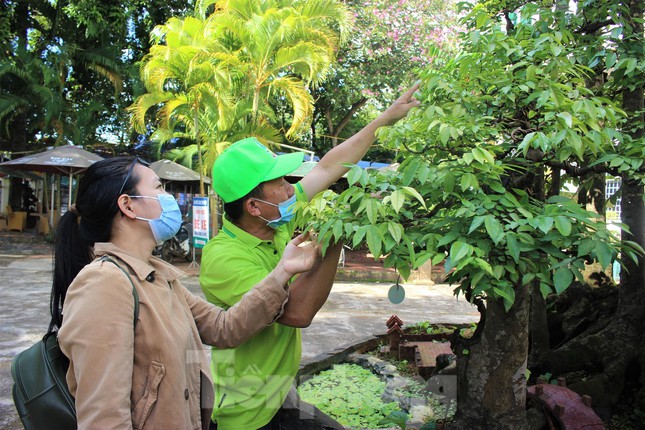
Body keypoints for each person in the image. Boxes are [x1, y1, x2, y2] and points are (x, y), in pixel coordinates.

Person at [200, 84, 421, 429]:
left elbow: (330, 166)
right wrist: (336, 232)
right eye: (280, 183)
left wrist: (384, 119)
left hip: (278, 394)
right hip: (246, 414)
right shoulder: (222, 259)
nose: (292, 188)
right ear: (254, 206)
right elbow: (297, 313)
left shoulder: (276, 221)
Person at [52, 156, 322, 429]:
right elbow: (104, 417)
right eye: (158, 188)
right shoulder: (104, 285)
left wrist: (282, 272)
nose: (168, 197)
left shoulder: (157, 277)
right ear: (128, 205)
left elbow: (223, 327)